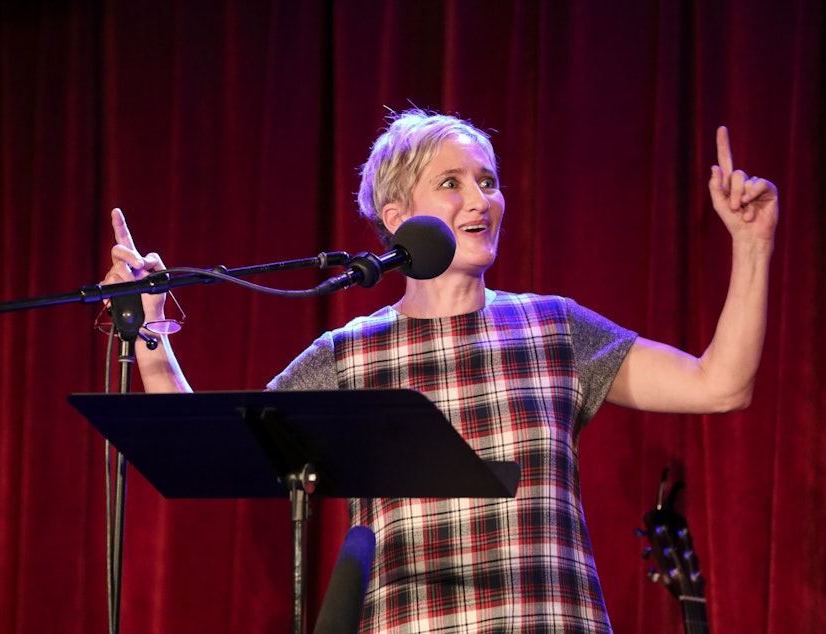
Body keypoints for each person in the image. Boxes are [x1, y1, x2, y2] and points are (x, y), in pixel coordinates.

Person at [101, 109, 778, 632]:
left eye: (487, 181)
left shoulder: (553, 328)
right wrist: (148, 325)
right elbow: (220, 451)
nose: (479, 199)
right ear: (397, 217)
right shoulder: (352, 352)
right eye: (451, 183)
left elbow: (718, 387)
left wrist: (751, 247)